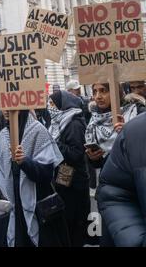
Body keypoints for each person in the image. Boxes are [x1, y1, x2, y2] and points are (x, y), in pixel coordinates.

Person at [0, 110, 68, 247]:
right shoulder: (3, 135)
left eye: (10, 105)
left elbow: (46, 174)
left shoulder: (38, 131)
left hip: (37, 207)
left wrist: (25, 162)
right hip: (14, 208)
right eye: (3, 105)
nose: (5, 110)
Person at [97, 113, 146, 247]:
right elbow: (117, 193)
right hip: (114, 171)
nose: (98, 97)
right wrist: (135, 240)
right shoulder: (136, 131)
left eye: (103, 90)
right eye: (96, 91)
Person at [48, 90, 90, 247]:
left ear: (62, 105)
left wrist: (54, 144)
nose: (49, 107)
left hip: (75, 179)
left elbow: (76, 153)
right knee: (66, 217)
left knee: (75, 219)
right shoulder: (59, 121)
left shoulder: (73, 122)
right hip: (65, 175)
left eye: (53, 104)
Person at [85, 83, 143, 170]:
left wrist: (129, 133)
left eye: (103, 91)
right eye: (94, 92)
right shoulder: (94, 119)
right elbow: (100, 162)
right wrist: (94, 158)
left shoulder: (137, 112)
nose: (98, 96)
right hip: (109, 177)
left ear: (116, 92)